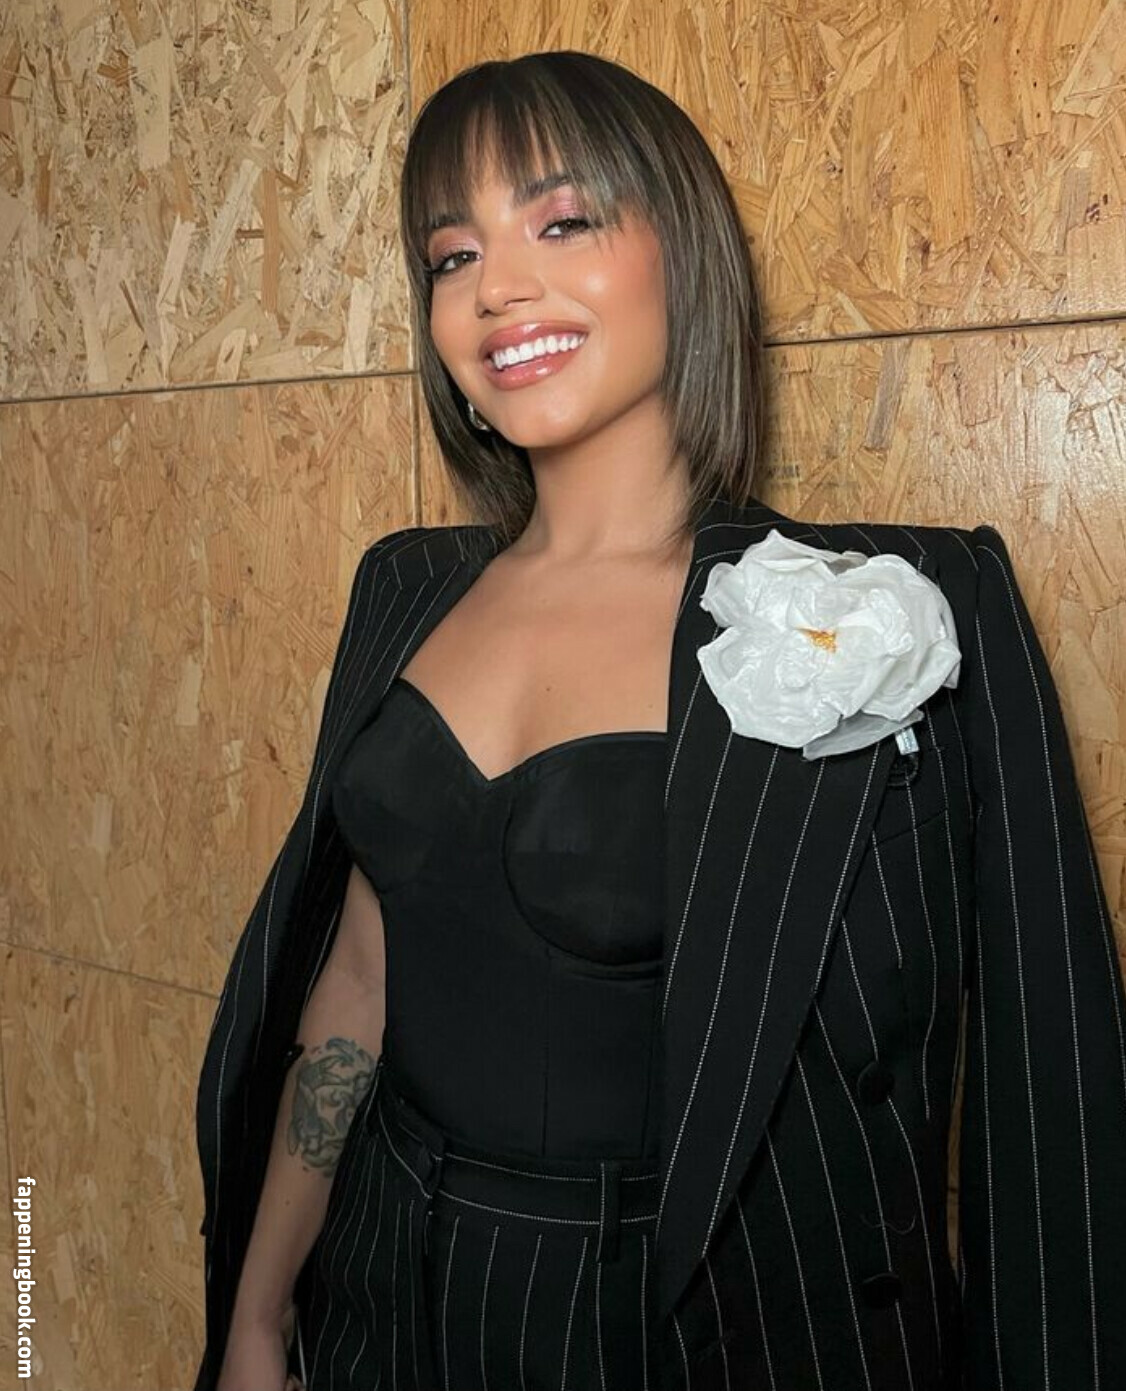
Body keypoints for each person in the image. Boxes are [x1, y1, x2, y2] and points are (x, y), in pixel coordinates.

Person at [194, 50, 1126, 1391]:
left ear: (682, 253)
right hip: (385, 1306)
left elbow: (1050, 1097)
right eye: (453, 256)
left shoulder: (897, 609)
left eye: (561, 221)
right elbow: (356, 980)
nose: (495, 287)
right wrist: (256, 1313)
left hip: (696, 1342)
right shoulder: (404, 590)